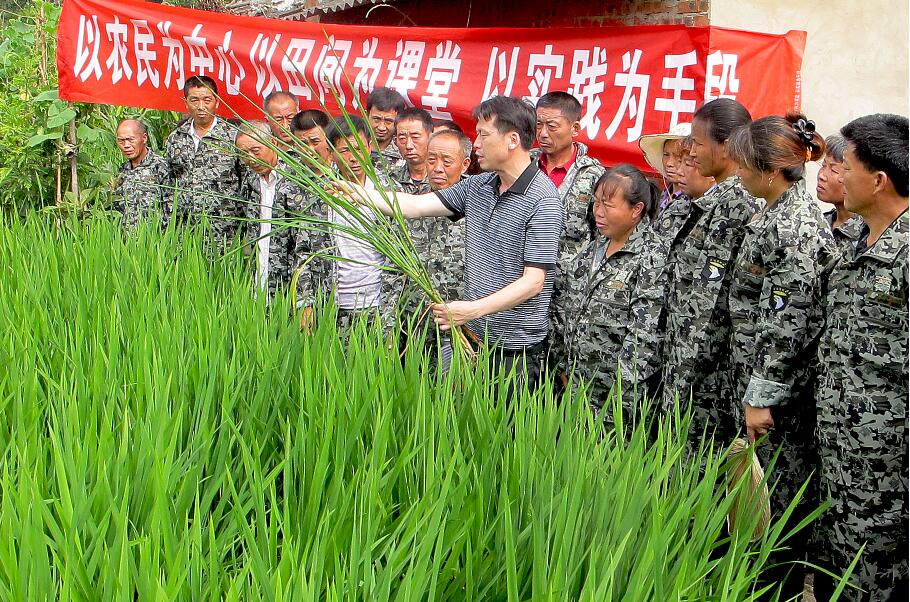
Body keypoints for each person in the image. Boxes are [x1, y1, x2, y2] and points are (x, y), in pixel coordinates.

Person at [341, 96, 563, 386]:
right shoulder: (479, 186)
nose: (477, 144)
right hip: (474, 338)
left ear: (511, 140)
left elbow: (534, 282)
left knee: (505, 429)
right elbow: (414, 207)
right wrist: (357, 193)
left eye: (483, 135)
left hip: (515, 350)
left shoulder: (543, 199)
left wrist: (473, 309)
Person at [726, 114, 836, 596]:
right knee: (755, 512)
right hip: (756, 385)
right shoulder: (770, 212)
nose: (737, 170)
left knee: (775, 517)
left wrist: (760, 397)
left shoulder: (793, 228)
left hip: (777, 402)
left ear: (769, 170)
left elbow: (788, 324)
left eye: (744, 163)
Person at [812, 113, 908, 602]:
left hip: (889, 468)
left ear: (878, 179)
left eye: (843, 166)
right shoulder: (849, 243)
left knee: (874, 582)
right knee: (835, 574)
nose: (832, 175)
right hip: (838, 453)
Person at [630, 98, 761, 444]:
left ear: (727, 147)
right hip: (685, 370)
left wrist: (685, 376)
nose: (691, 152)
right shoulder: (707, 204)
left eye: (697, 143)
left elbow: (712, 308)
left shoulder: (738, 206)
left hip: (707, 380)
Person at [551, 165, 658, 416]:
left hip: (617, 400)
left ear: (636, 210)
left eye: (608, 206)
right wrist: (565, 366)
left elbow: (642, 336)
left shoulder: (651, 257)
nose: (598, 212)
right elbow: (567, 309)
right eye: (596, 203)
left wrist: (621, 398)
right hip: (575, 388)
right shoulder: (591, 250)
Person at [299, 115, 400, 338]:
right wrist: (305, 302)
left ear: (370, 147)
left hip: (377, 306)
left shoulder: (389, 191)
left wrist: (390, 318)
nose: (353, 158)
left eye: (358, 148)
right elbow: (304, 252)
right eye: (345, 151)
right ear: (332, 154)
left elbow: (400, 259)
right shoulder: (319, 194)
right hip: (332, 307)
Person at [164, 75, 244, 248]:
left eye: (207, 99)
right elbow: (170, 181)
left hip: (225, 234)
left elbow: (246, 181)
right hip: (185, 234)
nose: (201, 106)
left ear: (217, 102)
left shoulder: (233, 136)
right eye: (194, 100)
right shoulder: (176, 138)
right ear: (186, 102)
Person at [235, 121, 310, 300]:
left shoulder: (296, 178)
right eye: (244, 153)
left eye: (256, 150)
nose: (250, 159)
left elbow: (304, 244)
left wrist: (304, 297)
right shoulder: (251, 180)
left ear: (273, 144)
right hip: (259, 285)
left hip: (290, 288)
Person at [535, 92, 605, 259]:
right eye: (538, 124)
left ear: (574, 129)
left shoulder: (594, 175)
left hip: (567, 278)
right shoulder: (525, 164)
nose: (543, 133)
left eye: (552, 126)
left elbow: (602, 236)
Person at [112, 118, 171, 229]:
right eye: (121, 141)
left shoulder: (161, 167)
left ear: (144, 138)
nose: (126, 145)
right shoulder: (122, 171)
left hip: (154, 240)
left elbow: (172, 209)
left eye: (131, 140)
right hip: (125, 242)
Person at [816, 133, 865, 255]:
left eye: (833, 170)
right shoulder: (819, 223)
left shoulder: (866, 234)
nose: (822, 175)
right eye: (823, 166)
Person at [638, 122, 690, 215]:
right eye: (666, 155)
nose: (669, 163)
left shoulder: (696, 201)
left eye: (678, 157)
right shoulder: (660, 197)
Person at [389, 107, 433, 193]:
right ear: (395, 141)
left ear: (431, 138)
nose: (409, 145)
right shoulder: (389, 176)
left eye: (415, 137)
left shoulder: (443, 178)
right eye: (402, 138)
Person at [366, 87, 407, 169]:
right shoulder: (353, 145)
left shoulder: (405, 153)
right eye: (376, 119)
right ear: (367, 115)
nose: (381, 127)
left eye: (388, 121)